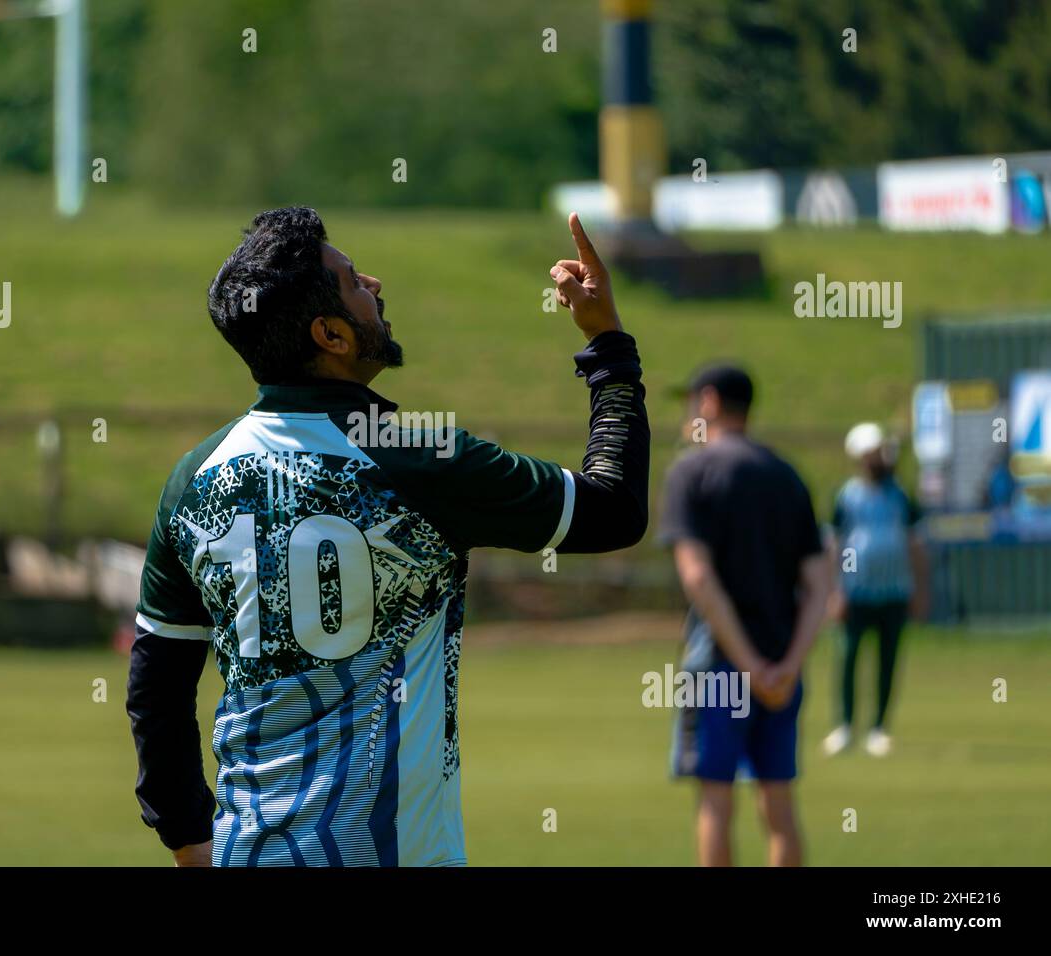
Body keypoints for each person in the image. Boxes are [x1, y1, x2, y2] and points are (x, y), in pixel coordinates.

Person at [127, 207, 650, 866]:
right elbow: (614, 510)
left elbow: (157, 692)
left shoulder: (193, 481)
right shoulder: (415, 455)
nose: (374, 285)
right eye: (352, 282)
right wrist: (607, 348)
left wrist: (188, 841)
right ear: (331, 335)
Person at [660, 365, 830, 867]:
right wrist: (787, 665)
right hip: (783, 664)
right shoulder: (786, 474)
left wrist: (747, 664)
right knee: (779, 807)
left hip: (718, 666)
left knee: (716, 802)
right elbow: (820, 584)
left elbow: (697, 578)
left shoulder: (691, 472)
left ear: (709, 401)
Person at [823, 422, 928, 759]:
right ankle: (844, 726)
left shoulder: (900, 495)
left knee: (888, 661)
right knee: (849, 658)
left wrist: (919, 587)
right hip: (855, 592)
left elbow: (914, 543)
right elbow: (837, 545)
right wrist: (836, 589)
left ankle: (879, 728)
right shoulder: (848, 495)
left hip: (894, 591)